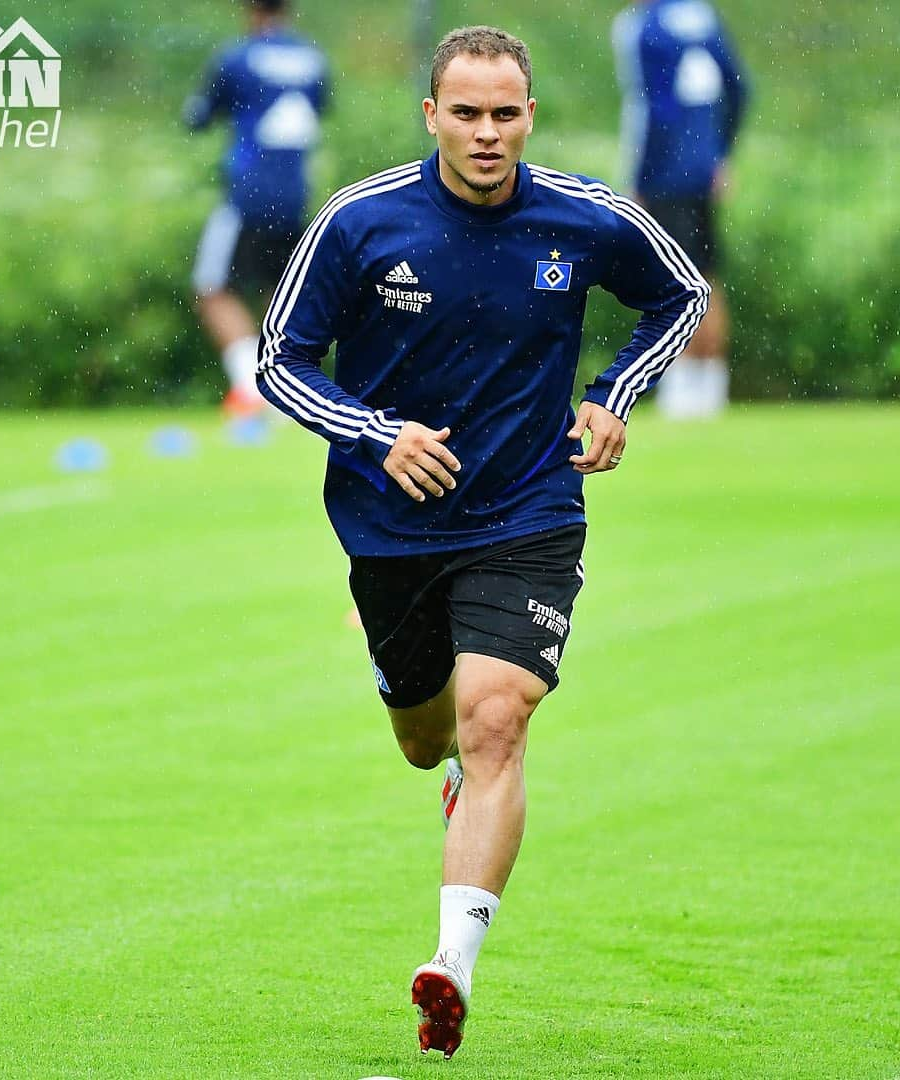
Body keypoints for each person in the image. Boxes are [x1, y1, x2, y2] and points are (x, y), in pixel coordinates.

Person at [257, 25, 709, 1059]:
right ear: (431, 116)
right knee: (428, 742)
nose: (488, 132)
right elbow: (281, 360)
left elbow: (678, 294)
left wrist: (613, 395)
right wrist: (379, 435)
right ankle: (450, 773)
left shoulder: (584, 216)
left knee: (497, 717)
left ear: (530, 115)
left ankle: (449, 967)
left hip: (530, 513)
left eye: (506, 112)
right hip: (389, 526)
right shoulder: (360, 222)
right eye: (466, 112)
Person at [183, 0, 328, 421]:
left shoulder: (236, 57)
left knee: (211, 289)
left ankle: (251, 388)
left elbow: (197, 116)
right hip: (296, 196)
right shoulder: (313, 58)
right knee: (280, 296)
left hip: (246, 196)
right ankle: (285, 389)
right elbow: (319, 108)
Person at [613, 0, 748, 418]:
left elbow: (651, 105)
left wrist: (638, 174)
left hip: (665, 169)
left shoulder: (640, 26)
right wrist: (719, 152)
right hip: (702, 169)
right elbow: (740, 87)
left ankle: (682, 392)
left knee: (677, 279)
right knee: (708, 273)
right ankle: (711, 388)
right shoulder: (703, 15)